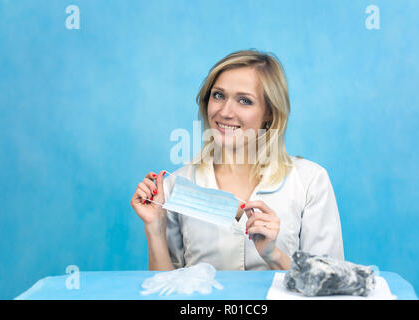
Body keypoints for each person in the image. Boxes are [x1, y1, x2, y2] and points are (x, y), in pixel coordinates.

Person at [130, 49, 344, 271]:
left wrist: (274, 256)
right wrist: (154, 228)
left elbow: (332, 286)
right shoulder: (175, 186)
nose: (225, 112)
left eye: (244, 100)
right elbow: (167, 292)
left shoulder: (310, 181)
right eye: (218, 95)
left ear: (269, 112)